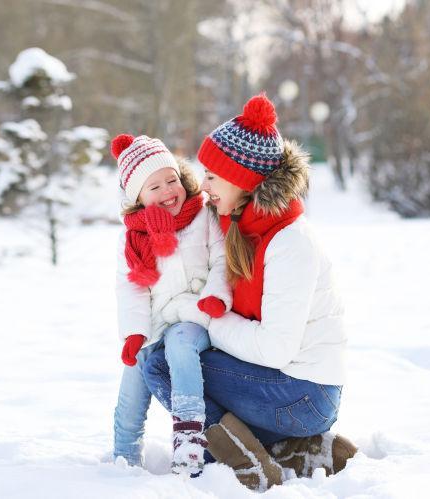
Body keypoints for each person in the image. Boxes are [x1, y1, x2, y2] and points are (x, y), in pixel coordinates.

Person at [142, 94, 357, 491]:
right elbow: (188, 221)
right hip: (294, 388)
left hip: (304, 394)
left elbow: (275, 349)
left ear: (242, 179)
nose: (204, 187)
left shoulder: (290, 243)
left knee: (161, 364)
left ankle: (250, 463)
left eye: (212, 176)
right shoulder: (245, 224)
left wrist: (200, 314)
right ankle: (289, 449)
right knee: (179, 354)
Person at [110, 133, 231, 476]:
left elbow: (223, 260)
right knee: (133, 376)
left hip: (197, 314)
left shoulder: (203, 216)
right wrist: (134, 334)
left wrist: (216, 296)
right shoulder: (132, 238)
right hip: (154, 321)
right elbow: (131, 289)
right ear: (137, 196)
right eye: (154, 187)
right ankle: (124, 456)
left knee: (180, 344)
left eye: (171, 179)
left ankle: (189, 441)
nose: (167, 191)